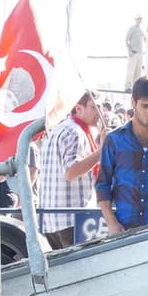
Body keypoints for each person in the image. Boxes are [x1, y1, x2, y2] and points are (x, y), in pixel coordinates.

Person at [96, 75, 148, 234]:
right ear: (133, 103)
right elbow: (102, 185)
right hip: (124, 228)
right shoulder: (114, 140)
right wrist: (111, 223)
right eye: (145, 106)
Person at [39, 91, 102, 248]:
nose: (99, 113)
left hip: (53, 216)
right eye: (94, 107)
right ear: (78, 108)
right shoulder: (75, 132)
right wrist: (101, 152)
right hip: (72, 217)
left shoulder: (58, 130)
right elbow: (71, 171)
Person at [124, 14, 148, 91]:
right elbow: (126, 40)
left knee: (138, 72)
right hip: (133, 52)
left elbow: (145, 40)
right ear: (135, 20)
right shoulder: (132, 29)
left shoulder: (141, 30)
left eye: (140, 19)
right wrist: (129, 50)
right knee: (130, 70)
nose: (139, 20)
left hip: (140, 53)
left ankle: (135, 87)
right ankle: (127, 86)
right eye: (138, 19)